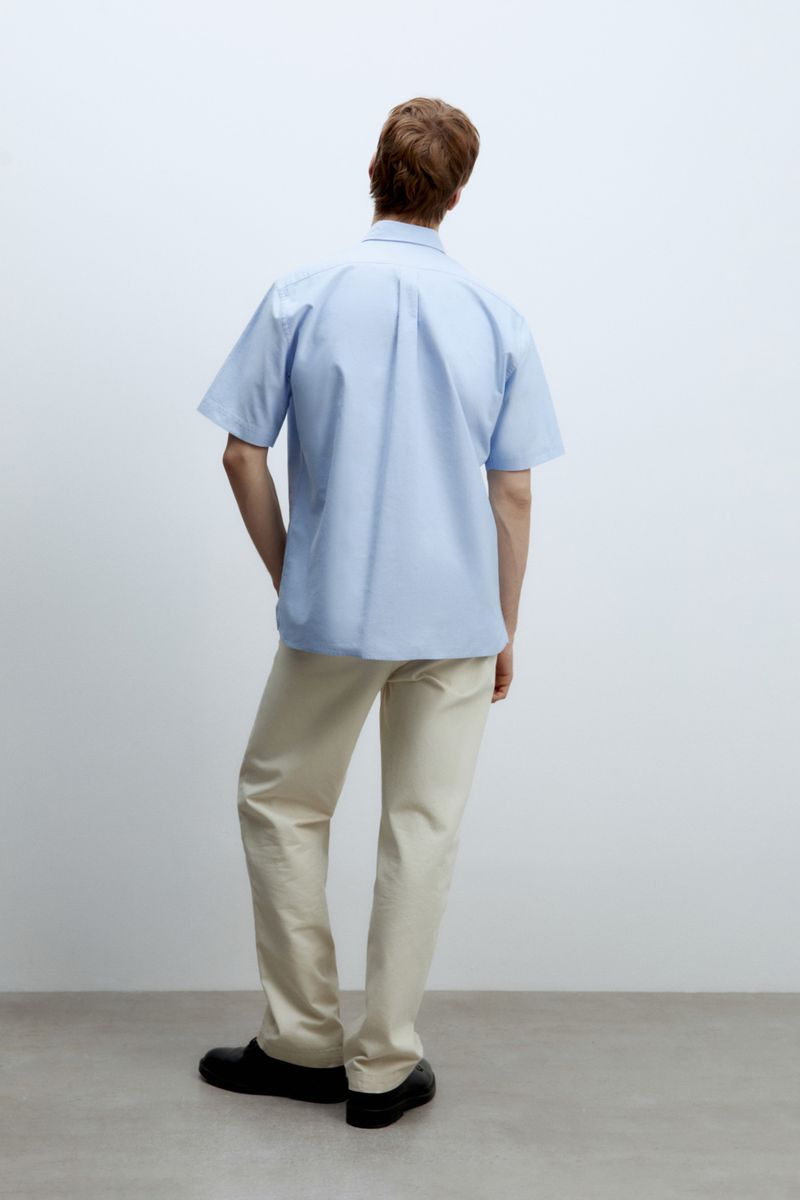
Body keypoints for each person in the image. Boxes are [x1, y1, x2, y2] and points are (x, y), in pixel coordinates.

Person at [195, 96, 565, 1129]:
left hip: (336, 615)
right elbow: (512, 493)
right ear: (457, 194)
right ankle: (384, 1066)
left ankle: (301, 1042)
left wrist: (295, 575)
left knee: (281, 802)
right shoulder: (496, 317)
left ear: (374, 174)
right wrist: (503, 625)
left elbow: (240, 454)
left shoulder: (301, 295)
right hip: (455, 621)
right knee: (422, 828)